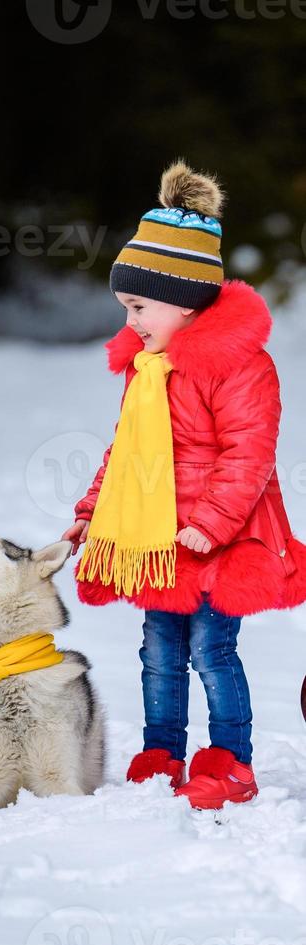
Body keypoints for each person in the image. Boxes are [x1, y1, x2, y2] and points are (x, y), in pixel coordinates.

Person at [62, 161, 306, 810]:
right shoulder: (148, 370)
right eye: (127, 308)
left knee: (211, 649)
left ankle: (230, 759)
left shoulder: (240, 366)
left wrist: (214, 523)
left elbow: (249, 454)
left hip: (222, 538)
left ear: (183, 300)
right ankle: (162, 751)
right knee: (158, 649)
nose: (132, 321)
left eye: (138, 306)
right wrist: (93, 510)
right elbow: (125, 452)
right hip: (158, 534)